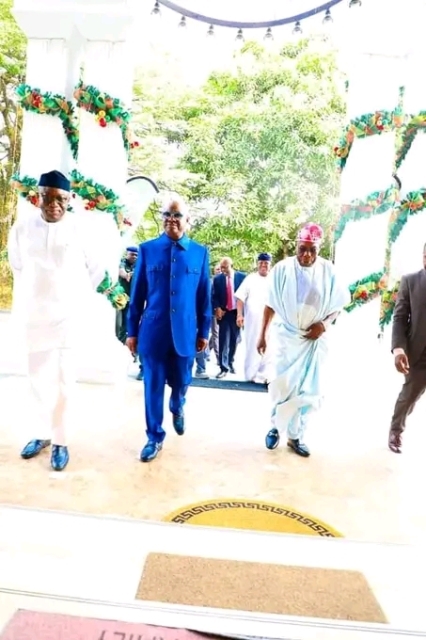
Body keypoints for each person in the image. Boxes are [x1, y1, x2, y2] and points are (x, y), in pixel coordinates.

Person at [7, 170, 119, 472]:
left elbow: (96, 270)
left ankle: (60, 441)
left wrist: (72, 296)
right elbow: (16, 262)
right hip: (34, 315)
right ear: (38, 196)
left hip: (68, 318)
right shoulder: (22, 227)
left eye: (60, 198)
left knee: (64, 381)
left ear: (69, 200)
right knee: (37, 379)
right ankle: (41, 433)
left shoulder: (80, 229)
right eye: (47, 196)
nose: (52, 204)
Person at [126, 194, 211, 462]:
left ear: (188, 220)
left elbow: (203, 297)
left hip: (186, 333)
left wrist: (204, 331)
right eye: (167, 215)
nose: (172, 220)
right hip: (153, 332)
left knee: (182, 381)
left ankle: (178, 403)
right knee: (152, 385)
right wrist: (132, 331)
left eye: (177, 215)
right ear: (162, 218)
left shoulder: (200, 253)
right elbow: (137, 294)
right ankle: (154, 436)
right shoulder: (148, 250)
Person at [257, 223, 350, 458]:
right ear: (296, 246)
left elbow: (337, 306)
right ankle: (275, 427)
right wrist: (262, 335)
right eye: (302, 249)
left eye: (312, 250)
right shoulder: (281, 269)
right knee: (282, 385)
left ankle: (296, 436)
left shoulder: (329, 271)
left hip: (313, 341)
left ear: (319, 249)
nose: (307, 255)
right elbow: (270, 304)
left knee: (307, 389)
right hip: (286, 336)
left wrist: (324, 325)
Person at [389, 245, 426, 453]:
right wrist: (398, 349)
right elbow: (400, 317)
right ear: (423, 257)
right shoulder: (411, 281)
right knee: (409, 395)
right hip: (419, 353)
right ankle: (395, 430)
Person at [236, 253, 272, 383]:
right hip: (252, 321)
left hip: (271, 321)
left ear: (270, 265)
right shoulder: (250, 278)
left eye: (266, 263)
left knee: (270, 347)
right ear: (257, 264)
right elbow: (240, 298)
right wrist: (239, 315)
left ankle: (264, 375)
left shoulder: (274, 279)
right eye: (261, 263)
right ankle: (250, 376)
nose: (263, 265)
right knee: (252, 346)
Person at [212, 257, 246, 379]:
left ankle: (230, 361)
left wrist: (242, 314)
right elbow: (214, 295)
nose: (223, 270)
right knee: (223, 341)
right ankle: (223, 367)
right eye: (221, 267)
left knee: (234, 340)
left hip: (237, 313)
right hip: (225, 313)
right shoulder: (218, 279)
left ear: (231, 265)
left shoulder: (242, 277)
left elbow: (246, 295)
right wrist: (217, 308)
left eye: (225, 267)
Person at [116, 246, 144, 380]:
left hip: (138, 302)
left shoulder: (140, 265)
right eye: (132, 254)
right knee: (122, 328)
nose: (134, 257)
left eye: (136, 255)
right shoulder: (122, 262)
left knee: (139, 330)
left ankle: (136, 355)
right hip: (121, 301)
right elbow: (121, 272)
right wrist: (127, 275)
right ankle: (123, 352)